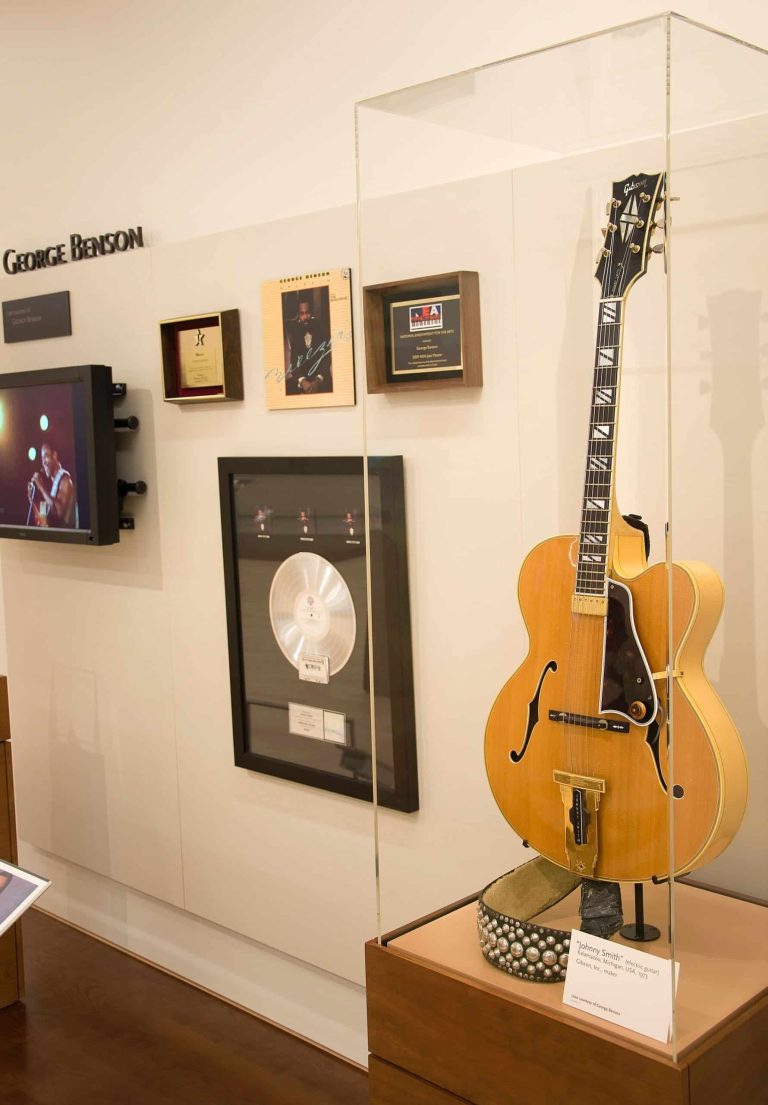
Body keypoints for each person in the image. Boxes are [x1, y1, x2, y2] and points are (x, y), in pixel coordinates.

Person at [283, 293, 333, 395]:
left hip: (321, 379)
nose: (305, 317)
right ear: (298, 315)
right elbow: (294, 361)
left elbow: (326, 358)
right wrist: (302, 381)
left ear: (312, 312)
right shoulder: (295, 332)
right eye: (302, 314)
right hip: (303, 380)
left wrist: (318, 380)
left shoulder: (321, 328)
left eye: (307, 312)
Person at [28, 439, 76, 528]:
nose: (43, 462)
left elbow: (59, 512)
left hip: (64, 536)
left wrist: (41, 487)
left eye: (46, 456)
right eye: (42, 458)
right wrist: (31, 500)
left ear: (54, 455)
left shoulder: (65, 479)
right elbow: (43, 522)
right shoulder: (54, 484)